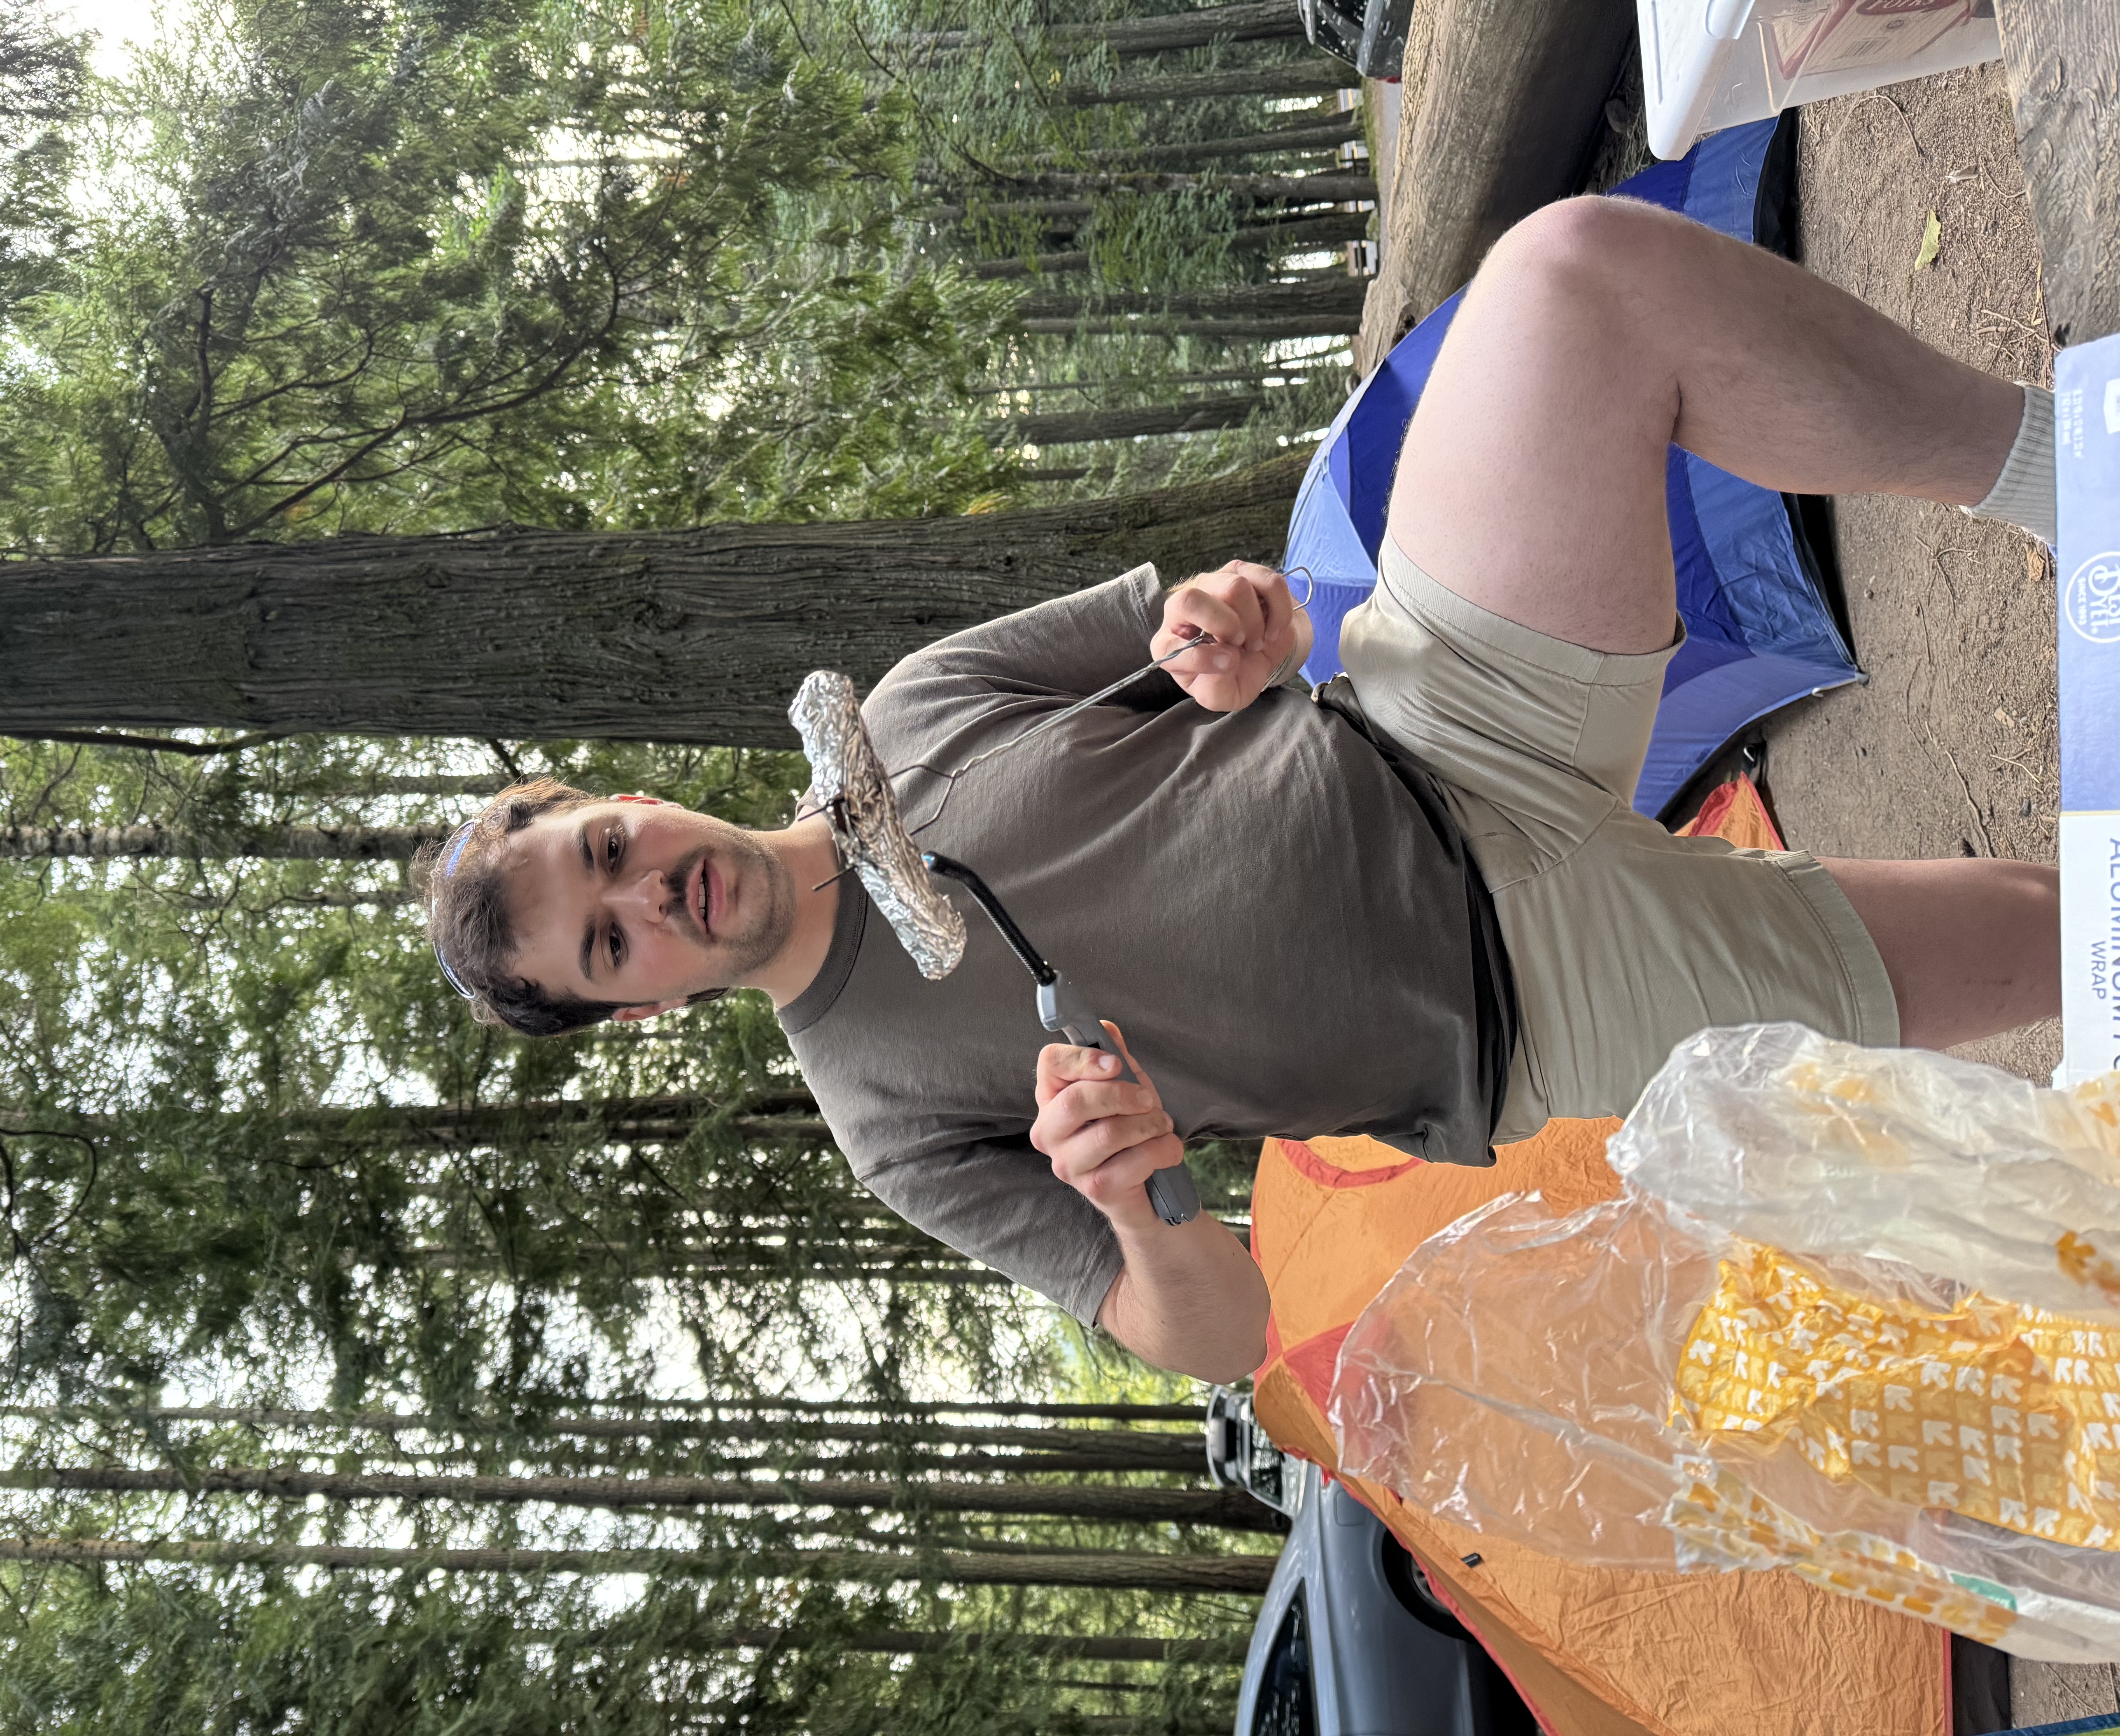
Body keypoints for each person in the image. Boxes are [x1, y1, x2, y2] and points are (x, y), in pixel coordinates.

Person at [415, 196, 2062, 1383]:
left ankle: (2072, 473)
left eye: (609, 851)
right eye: (609, 943)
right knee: (2059, 939)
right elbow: (1213, 1340)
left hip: (1437, 725)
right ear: (634, 1012)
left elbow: (1220, 616)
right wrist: (1138, 1200)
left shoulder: (910, 709)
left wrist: (1238, 623)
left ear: (610, 796)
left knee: (1576, 275)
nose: (646, 893)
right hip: (1524, 1006)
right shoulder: (887, 1120)